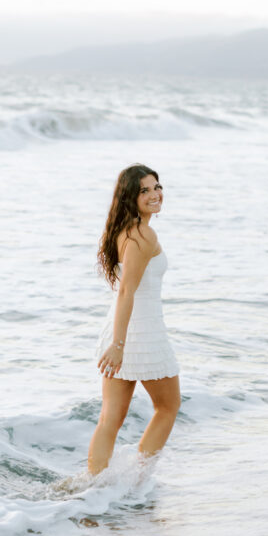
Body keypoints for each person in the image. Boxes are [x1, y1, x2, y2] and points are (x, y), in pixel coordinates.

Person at [88, 163, 181, 475]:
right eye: (145, 190)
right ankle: (137, 479)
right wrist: (118, 345)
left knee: (110, 418)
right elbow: (127, 290)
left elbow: (124, 291)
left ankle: (95, 486)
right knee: (167, 407)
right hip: (141, 335)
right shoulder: (143, 235)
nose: (155, 194)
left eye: (157, 187)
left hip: (121, 330)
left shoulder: (123, 231)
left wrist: (116, 342)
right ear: (131, 197)